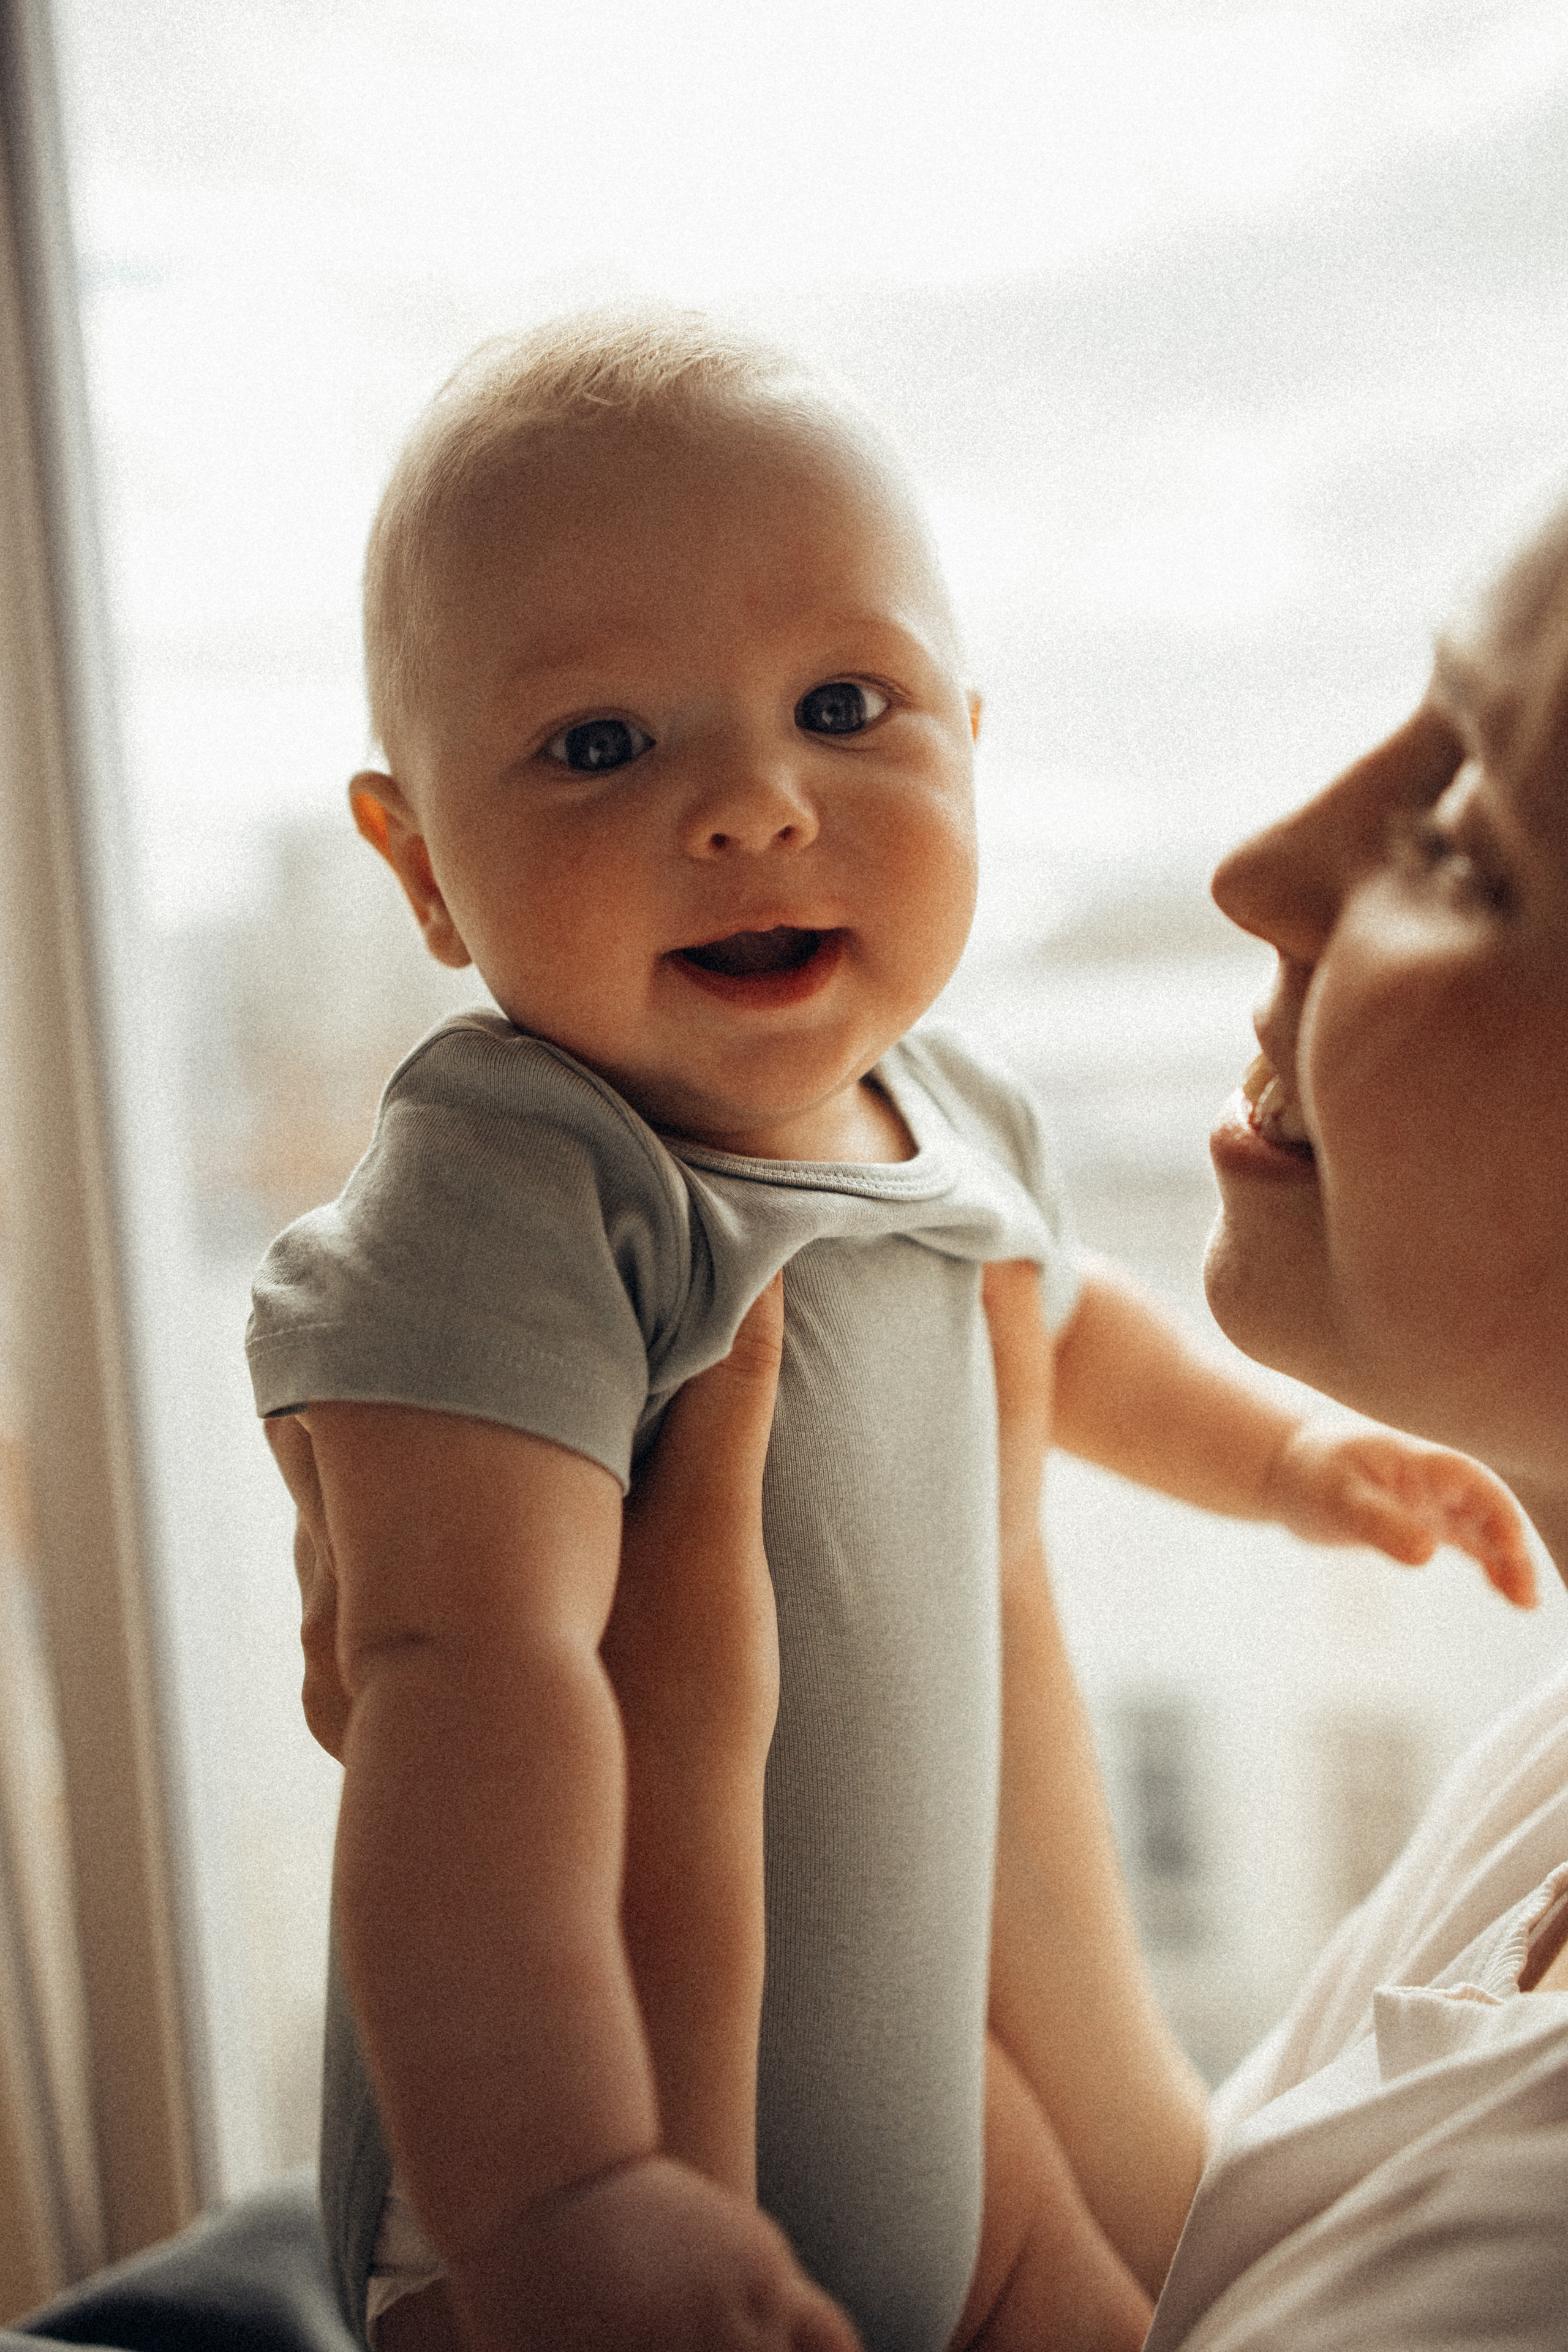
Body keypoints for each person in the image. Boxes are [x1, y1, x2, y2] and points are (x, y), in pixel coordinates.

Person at [247, 309, 1536, 2352]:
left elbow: (1059, 1323)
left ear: (968, 729)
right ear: (419, 864)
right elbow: (453, 1687)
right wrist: (565, 2196)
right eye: (602, 745)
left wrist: (1288, 1461)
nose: (756, 803)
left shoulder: (954, 1100)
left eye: (845, 705)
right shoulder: (517, 1186)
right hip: (594, 2166)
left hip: (951, 2103)